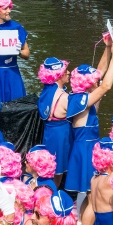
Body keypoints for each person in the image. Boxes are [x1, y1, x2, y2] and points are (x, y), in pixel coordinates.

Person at [64, 40, 113, 224]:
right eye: (94, 80)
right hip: (86, 149)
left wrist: (107, 48)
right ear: (88, 84)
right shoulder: (81, 100)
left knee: (88, 193)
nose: (98, 80)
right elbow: (106, 86)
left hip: (87, 147)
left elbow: (99, 71)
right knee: (92, 196)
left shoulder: (84, 97)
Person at [37, 57, 72, 188]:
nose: (69, 73)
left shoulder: (46, 91)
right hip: (61, 135)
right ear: (59, 75)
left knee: (49, 167)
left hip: (48, 132)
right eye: (66, 71)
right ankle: (52, 194)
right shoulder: (63, 96)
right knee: (58, 171)